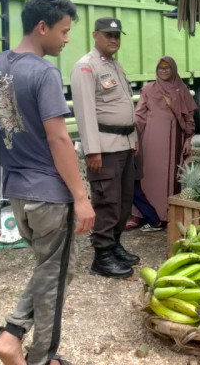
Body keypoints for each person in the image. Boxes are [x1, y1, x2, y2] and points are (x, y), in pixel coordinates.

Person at [0, 0, 95, 365]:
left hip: (19, 196)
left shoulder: (0, 66)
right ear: (42, 27)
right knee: (55, 281)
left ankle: (15, 334)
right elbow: (59, 138)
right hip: (50, 195)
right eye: (64, 31)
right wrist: (81, 197)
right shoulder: (43, 72)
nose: (66, 39)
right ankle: (36, 354)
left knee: (48, 270)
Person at [70, 17, 138, 279]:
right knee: (107, 201)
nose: (114, 39)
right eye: (108, 35)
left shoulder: (114, 65)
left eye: (117, 35)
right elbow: (85, 112)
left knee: (123, 201)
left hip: (123, 143)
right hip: (104, 147)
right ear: (95, 35)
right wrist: (92, 150)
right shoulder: (86, 67)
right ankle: (102, 255)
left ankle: (114, 244)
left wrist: (134, 139)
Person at [134, 56, 197, 226]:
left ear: (173, 69)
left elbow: (188, 117)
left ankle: (166, 215)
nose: (163, 71)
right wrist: (131, 135)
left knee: (171, 179)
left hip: (174, 140)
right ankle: (143, 214)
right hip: (151, 141)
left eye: (167, 68)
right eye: (160, 68)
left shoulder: (181, 89)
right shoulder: (148, 90)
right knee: (148, 178)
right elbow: (139, 115)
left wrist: (188, 140)